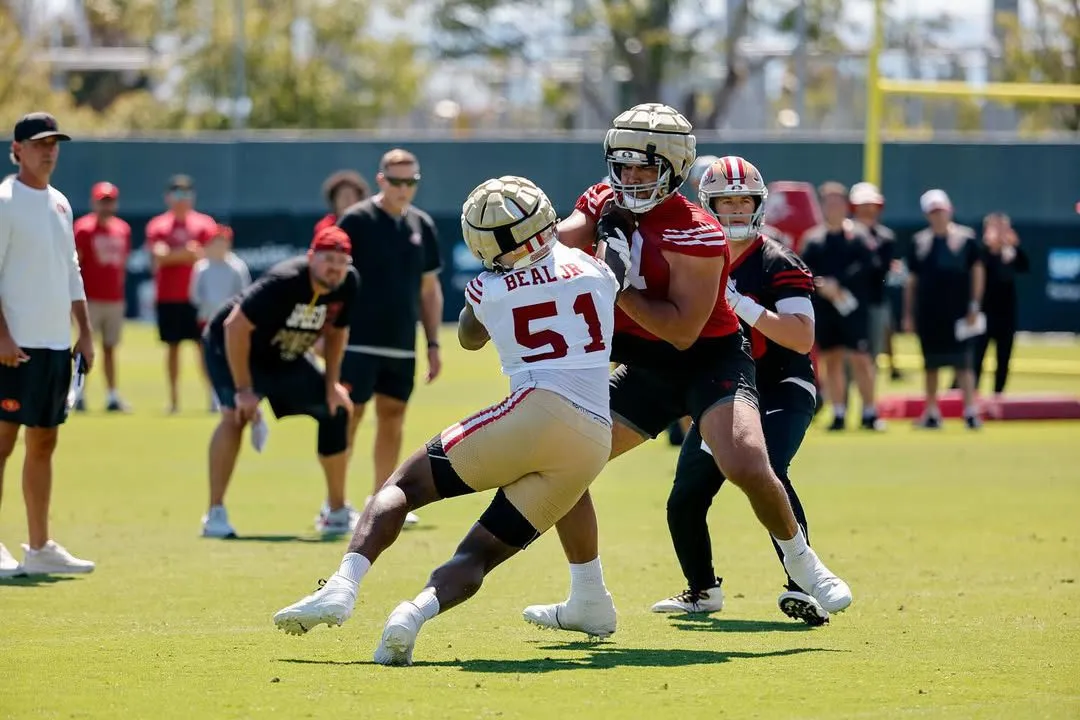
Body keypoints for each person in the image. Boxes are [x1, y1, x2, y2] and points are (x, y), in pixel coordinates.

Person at [520, 104, 851, 638]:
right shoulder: (605, 199)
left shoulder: (699, 230)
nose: (630, 179)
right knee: (563, 459)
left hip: (707, 358)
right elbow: (568, 234)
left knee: (744, 461)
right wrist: (524, 247)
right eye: (622, 166)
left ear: (674, 170)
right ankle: (587, 597)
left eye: (643, 168)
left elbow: (681, 330)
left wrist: (615, 286)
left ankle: (803, 564)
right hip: (646, 366)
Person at [272, 176, 625, 665]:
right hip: (592, 438)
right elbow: (616, 265)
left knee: (402, 485)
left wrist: (500, 279)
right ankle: (412, 615)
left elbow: (469, 337)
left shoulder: (488, 285)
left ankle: (341, 586)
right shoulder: (593, 267)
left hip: (537, 409)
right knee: (479, 553)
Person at [650, 156, 830, 625]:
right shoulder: (693, 255)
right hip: (726, 389)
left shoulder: (777, 260)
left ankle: (802, 585)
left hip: (780, 384)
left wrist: (741, 304)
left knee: (767, 470)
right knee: (685, 494)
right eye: (723, 203)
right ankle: (702, 590)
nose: (732, 212)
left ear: (758, 204)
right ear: (705, 206)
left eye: (741, 202)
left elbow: (801, 337)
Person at [199, 226, 359, 538]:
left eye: (342, 262)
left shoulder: (348, 283)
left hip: (284, 354)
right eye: (328, 260)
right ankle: (214, 514)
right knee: (233, 416)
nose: (335, 269)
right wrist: (244, 391)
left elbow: (337, 333)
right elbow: (234, 327)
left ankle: (337, 511)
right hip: (232, 346)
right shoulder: (285, 281)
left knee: (336, 410)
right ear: (311, 257)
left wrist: (332, 386)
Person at [0, 111, 95, 577]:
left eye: (54, 142)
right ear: (16, 150)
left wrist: (86, 332)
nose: (48, 150)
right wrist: (1, 334)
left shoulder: (60, 203)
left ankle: (38, 547)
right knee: (1, 443)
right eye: (39, 143)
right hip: (12, 346)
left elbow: (72, 269)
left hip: (55, 344)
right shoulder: (3, 199)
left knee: (44, 443)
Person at [335, 149, 443, 529]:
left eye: (411, 182)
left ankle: (380, 498)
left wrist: (432, 343)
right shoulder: (357, 220)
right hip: (356, 341)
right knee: (348, 416)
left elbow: (429, 290)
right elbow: (335, 280)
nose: (404, 189)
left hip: (400, 342)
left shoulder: (422, 225)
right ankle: (335, 504)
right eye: (396, 181)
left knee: (393, 418)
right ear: (381, 180)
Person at [800, 182, 884, 431]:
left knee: (860, 358)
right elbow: (804, 271)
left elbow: (869, 267)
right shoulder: (813, 239)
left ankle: (869, 412)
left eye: (837, 202)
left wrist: (840, 283)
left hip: (854, 307)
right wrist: (822, 285)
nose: (833, 207)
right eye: (828, 202)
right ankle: (838, 412)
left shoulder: (858, 235)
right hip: (825, 307)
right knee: (831, 358)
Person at [903, 190, 985, 429]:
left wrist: (974, 305)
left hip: (960, 312)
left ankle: (970, 411)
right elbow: (912, 280)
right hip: (929, 312)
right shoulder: (919, 241)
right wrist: (909, 313)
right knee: (931, 363)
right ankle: (931, 412)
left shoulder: (967, 239)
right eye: (933, 211)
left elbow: (977, 272)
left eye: (941, 210)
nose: (938, 215)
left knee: (964, 363)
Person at [145, 174, 218, 413]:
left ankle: (213, 398)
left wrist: (175, 255)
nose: (181, 199)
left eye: (186, 194)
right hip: (168, 296)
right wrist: (186, 253)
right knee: (172, 348)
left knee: (204, 348)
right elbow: (159, 256)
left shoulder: (205, 224)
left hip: (199, 298)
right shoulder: (158, 225)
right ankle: (174, 401)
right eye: (177, 194)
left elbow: (210, 254)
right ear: (168, 197)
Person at [73, 181, 132, 412]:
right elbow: (75, 263)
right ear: (94, 202)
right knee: (84, 347)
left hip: (114, 298)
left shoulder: (123, 229)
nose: (106, 206)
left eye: (109, 201)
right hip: (89, 299)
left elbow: (122, 264)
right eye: (102, 201)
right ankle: (77, 395)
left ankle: (111, 395)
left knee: (110, 348)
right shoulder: (83, 228)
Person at [849, 182, 901, 381]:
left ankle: (867, 406)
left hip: (875, 301)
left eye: (872, 205)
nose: (869, 210)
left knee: (871, 355)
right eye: (864, 205)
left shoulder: (885, 237)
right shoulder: (844, 234)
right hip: (848, 304)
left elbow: (879, 270)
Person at [974, 213, 1028, 398]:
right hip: (983, 313)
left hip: (1006, 313)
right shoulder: (980, 253)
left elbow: (1024, 267)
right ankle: (971, 395)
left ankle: (998, 394)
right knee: (976, 356)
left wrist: (1013, 247)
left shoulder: (1011, 253)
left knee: (1003, 357)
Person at [314, 170, 370, 236]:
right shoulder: (325, 228)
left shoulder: (369, 224)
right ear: (334, 200)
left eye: (351, 195)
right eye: (341, 196)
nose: (346, 200)